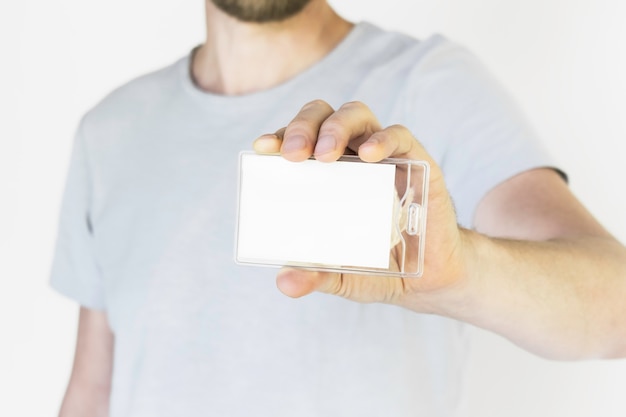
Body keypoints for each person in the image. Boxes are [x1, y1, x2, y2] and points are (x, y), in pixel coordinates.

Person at [51, 1, 626, 416]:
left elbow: (616, 311)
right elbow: (92, 391)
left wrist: (463, 270)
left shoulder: (431, 84)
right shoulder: (111, 130)